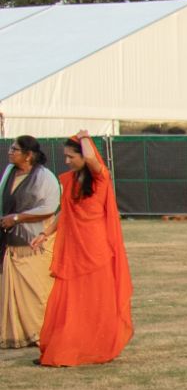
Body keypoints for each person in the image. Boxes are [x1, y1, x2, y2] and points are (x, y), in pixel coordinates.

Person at [33, 134, 133, 367]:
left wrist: (85, 136)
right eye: (65, 156)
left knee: (94, 299)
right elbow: (65, 211)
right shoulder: (71, 180)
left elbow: (91, 157)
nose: (66, 161)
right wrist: (45, 233)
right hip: (74, 248)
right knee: (70, 300)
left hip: (95, 248)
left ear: (83, 156)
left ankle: (93, 345)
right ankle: (68, 343)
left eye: (71, 156)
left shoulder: (99, 178)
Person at [1, 136, 61, 350]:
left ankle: (38, 332)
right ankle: (15, 334)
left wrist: (17, 218)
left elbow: (49, 208)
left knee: (35, 291)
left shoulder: (45, 178)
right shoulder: (9, 172)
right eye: (10, 148)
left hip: (33, 243)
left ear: (29, 155)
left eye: (15, 149)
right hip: (10, 242)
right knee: (11, 291)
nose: (10, 152)